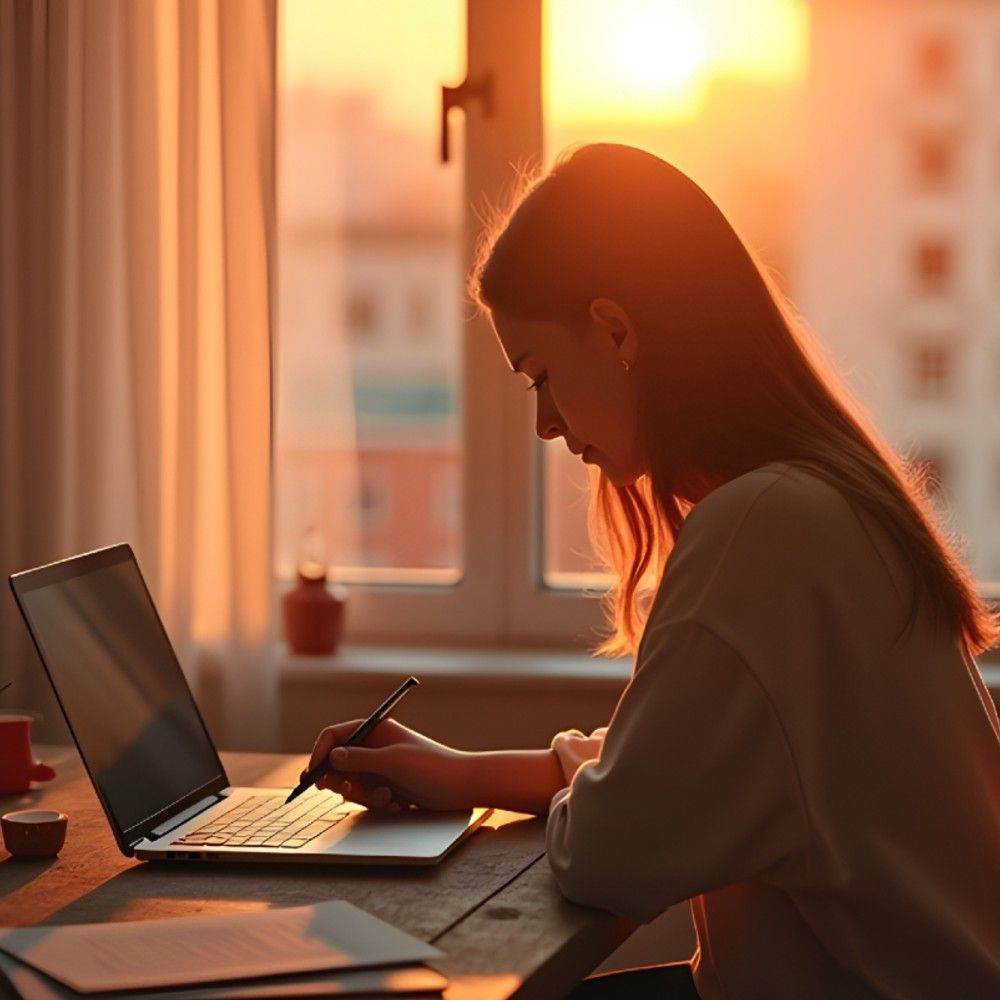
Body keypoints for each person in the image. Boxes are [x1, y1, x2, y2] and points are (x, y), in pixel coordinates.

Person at [304, 144, 1000, 998]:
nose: (545, 425)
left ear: (618, 328)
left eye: (542, 376)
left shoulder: (761, 528)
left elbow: (612, 852)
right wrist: (452, 771)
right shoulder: (820, 499)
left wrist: (581, 799)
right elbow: (667, 770)